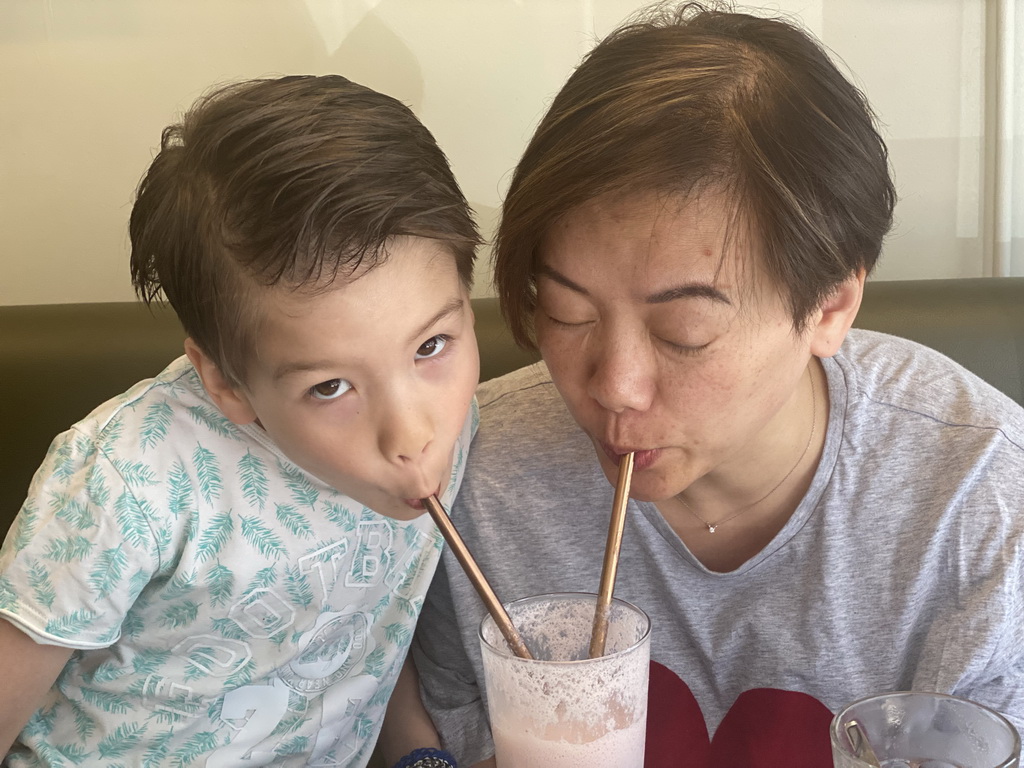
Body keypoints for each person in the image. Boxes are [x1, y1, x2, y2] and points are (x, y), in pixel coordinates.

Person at [412, 3, 1024, 766]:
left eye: (683, 335)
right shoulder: (470, 475)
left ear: (830, 305)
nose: (615, 387)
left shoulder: (979, 500)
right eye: (567, 313)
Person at [0, 75, 478, 767]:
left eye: (431, 346)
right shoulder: (127, 484)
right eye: (332, 386)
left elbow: (366, 634)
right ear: (225, 381)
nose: (411, 436)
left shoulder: (445, 436)